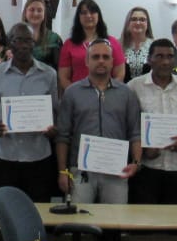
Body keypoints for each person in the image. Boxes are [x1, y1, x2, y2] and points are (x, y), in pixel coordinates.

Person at [55, 39, 141, 204]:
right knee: (80, 222)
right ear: (87, 61)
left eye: (105, 57)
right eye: (95, 57)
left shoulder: (126, 93)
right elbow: (63, 136)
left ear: (112, 61)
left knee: (116, 222)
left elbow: (135, 133)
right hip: (81, 172)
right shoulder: (72, 92)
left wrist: (136, 163)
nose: (101, 60)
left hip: (117, 171)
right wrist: (63, 171)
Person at [0, 22, 59, 202]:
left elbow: (56, 110)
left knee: (38, 211)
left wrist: (54, 128)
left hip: (39, 156)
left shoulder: (49, 74)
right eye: (18, 40)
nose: (23, 45)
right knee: (6, 210)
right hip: (5, 156)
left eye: (28, 41)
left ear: (34, 44)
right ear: (10, 43)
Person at [128, 38, 177, 204]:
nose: (165, 61)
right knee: (145, 222)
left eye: (170, 57)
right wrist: (142, 148)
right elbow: (127, 125)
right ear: (149, 59)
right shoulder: (134, 86)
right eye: (159, 56)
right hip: (148, 167)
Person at [58, 0, 126, 88]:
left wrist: (107, 92)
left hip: (107, 95)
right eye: (84, 12)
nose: (88, 15)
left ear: (99, 15)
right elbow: (63, 77)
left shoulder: (113, 42)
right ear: (79, 17)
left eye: (93, 12)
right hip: (78, 96)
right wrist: (76, 95)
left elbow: (120, 74)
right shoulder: (69, 44)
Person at [21, 0, 62, 67]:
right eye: (32, 10)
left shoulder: (55, 39)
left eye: (39, 10)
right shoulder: (13, 37)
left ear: (44, 14)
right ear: (25, 13)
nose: (35, 13)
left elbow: (60, 67)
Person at [121, 6, 155, 79]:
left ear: (147, 24)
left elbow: (174, 69)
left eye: (142, 20)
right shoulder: (118, 45)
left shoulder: (155, 46)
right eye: (134, 19)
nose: (138, 23)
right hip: (123, 89)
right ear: (128, 23)